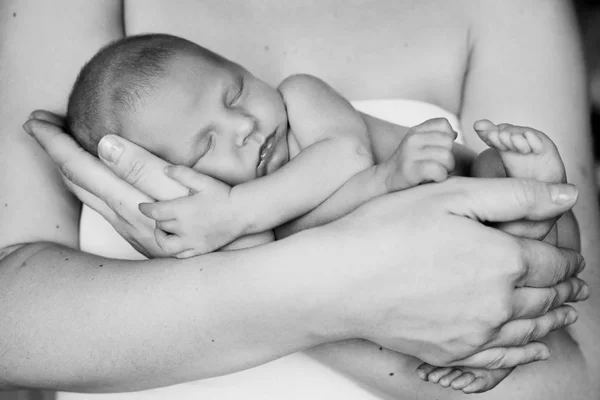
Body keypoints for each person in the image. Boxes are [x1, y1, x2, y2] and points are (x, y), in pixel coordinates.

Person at [1, 1, 598, 400]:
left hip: (471, 304)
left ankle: (528, 179)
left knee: (515, 207)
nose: (242, 127)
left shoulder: (300, 99)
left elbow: (569, 372)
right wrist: (318, 284)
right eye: (206, 143)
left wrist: (240, 229)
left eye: (235, 91)